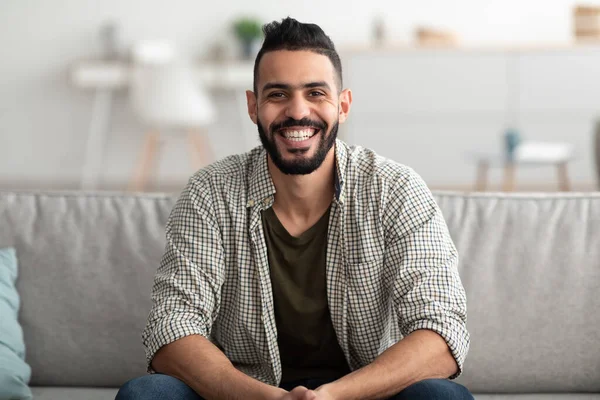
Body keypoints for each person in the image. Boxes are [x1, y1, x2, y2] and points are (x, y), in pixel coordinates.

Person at [116, 17, 473, 400]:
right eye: (277, 95)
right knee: (146, 394)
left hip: (363, 395)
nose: (297, 111)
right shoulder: (211, 192)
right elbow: (172, 325)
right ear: (253, 106)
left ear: (343, 104)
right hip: (245, 396)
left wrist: (332, 396)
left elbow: (441, 330)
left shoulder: (395, 190)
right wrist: (268, 398)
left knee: (443, 398)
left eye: (316, 93)